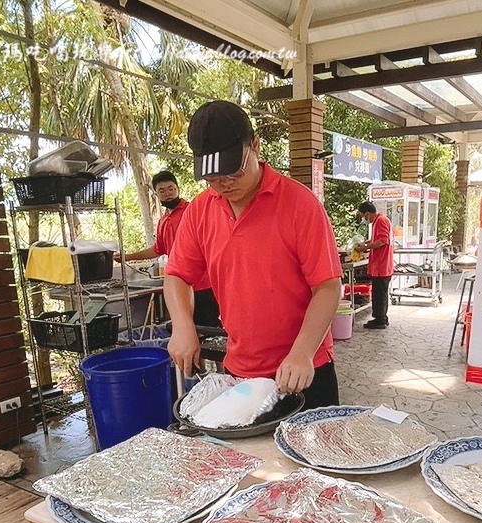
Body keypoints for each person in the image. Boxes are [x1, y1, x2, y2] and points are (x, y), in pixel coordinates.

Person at [164, 100, 343, 408]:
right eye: (212, 177)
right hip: (241, 373)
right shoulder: (200, 211)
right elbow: (178, 275)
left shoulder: (300, 205)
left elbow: (327, 287)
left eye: (233, 171)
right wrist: (182, 326)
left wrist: (301, 352)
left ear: (256, 146)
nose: (223, 184)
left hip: (304, 370)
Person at [114, 171, 221, 328]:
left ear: (178, 189)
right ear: (156, 194)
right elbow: (158, 250)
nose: (168, 194)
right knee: (188, 331)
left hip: (203, 286)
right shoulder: (164, 220)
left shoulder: (192, 212)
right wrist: (127, 257)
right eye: (162, 191)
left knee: (210, 333)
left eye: (171, 189)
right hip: (179, 287)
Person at [355, 201, 394, 329]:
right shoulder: (379, 221)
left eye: (363, 216)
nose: (364, 219)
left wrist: (365, 247)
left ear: (367, 213)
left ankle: (380, 320)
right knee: (379, 294)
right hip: (379, 265)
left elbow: (383, 241)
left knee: (379, 294)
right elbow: (375, 240)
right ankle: (381, 317)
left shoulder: (381, 220)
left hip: (382, 266)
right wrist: (365, 244)